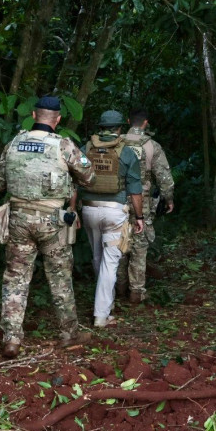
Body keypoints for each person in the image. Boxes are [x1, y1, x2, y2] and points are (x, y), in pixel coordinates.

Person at [0, 96, 95, 358]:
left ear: (34, 115)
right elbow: (89, 176)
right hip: (52, 221)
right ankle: (69, 333)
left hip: (18, 220)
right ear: (57, 119)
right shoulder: (63, 145)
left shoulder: (14, 143)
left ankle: (12, 339)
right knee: (60, 277)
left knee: (15, 278)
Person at [78, 110, 144, 328]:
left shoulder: (85, 149)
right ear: (119, 128)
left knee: (98, 258)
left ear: (100, 127)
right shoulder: (126, 153)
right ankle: (101, 314)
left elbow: (74, 181)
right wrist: (139, 217)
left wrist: (72, 209)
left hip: (88, 209)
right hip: (114, 212)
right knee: (110, 262)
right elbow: (135, 190)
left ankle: (106, 304)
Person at [116, 109, 174, 303]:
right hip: (143, 201)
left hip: (117, 200)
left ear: (127, 121)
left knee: (119, 243)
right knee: (140, 246)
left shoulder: (116, 142)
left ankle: (119, 286)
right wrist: (169, 199)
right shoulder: (152, 146)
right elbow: (164, 176)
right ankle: (137, 291)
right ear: (145, 123)